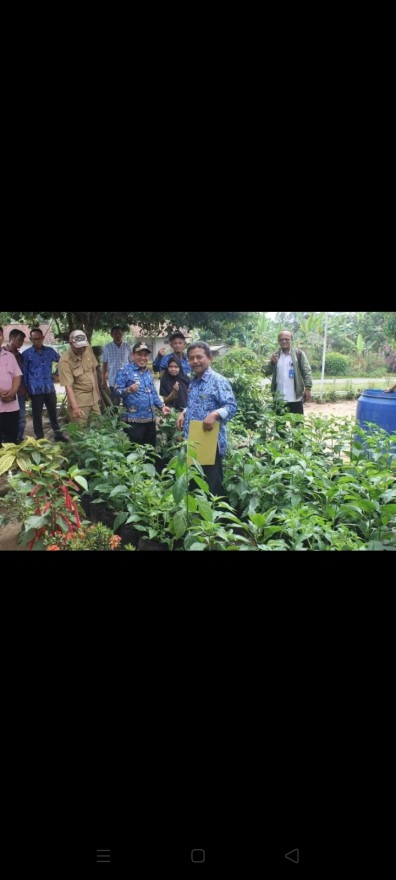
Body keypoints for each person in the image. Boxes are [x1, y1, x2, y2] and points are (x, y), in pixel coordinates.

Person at [176, 341, 237, 497]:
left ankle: (217, 520)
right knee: (195, 483)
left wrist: (215, 414)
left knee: (212, 487)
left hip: (210, 442)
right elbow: (195, 405)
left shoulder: (218, 381)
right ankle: (199, 518)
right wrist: (183, 412)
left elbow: (231, 406)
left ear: (209, 358)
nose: (195, 361)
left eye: (199, 357)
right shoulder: (194, 382)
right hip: (194, 441)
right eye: (191, 358)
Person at [114, 342, 171, 447]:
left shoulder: (148, 372)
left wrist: (162, 407)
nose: (143, 358)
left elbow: (153, 393)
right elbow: (116, 392)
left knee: (149, 453)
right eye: (139, 354)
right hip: (133, 421)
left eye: (145, 355)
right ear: (132, 355)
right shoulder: (124, 371)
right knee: (135, 453)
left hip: (150, 420)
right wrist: (128, 390)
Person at [22, 327, 68, 442]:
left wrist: (56, 374)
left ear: (42, 338)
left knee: (53, 412)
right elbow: (24, 373)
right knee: (37, 415)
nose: (36, 341)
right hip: (35, 389)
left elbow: (61, 361)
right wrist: (26, 390)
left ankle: (57, 434)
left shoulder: (50, 351)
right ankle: (40, 438)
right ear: (30, 339)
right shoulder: (26, 354)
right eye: (34, 339)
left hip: (49, 388)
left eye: (38, 338)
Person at [264, 330, 313, 414]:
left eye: (287, 339)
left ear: (291, 339)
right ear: (278, 341)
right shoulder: (275, 356)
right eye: (281, 339)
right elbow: (265, 372)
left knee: (298, 425)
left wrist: (308, 388)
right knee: (280, 426)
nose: (284, 341)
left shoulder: (299, 354)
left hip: (295, 398)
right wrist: (272, 363)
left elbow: (306, 371)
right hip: (279, 399)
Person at [58, 330, 101, 427]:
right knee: (80, 434)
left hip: (94, 400)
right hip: (79, 403)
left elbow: (93, 370)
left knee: (99, 430)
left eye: (83, 347)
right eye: (78, 347)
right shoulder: (64, 361)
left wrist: (97, 393)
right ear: (70, 344)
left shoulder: (88, 349)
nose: (82, 349)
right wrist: (75, 407)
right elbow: (68, 386)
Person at [4, 329, 28, 443]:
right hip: (4, 393)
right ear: (12, 338)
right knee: (5, 420)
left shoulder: (20, 356)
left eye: (23, 341)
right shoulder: (3, 353)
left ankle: (18, 440)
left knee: (22, 419)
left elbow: (20, 374)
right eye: (19, 339)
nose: (21, 343)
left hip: (19, 392)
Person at [101, 326, 133, 404]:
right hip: (113, 380)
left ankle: (127, 416)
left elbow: (132, 363)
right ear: (112, 335)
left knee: (128, 402)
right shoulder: (107, 347)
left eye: (120, 333)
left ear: (122, 335)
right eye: (115, 333)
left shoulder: (127, 347)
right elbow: (104, 364)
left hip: (126, 379)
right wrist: (103, 379)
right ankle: (116, 416)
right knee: (115, 403)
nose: (118, 335)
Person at [0, 340, 22, 445]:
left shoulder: (10, 356)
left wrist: (13, 392)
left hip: (12, 406)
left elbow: (17, 375)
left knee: (12, 440)